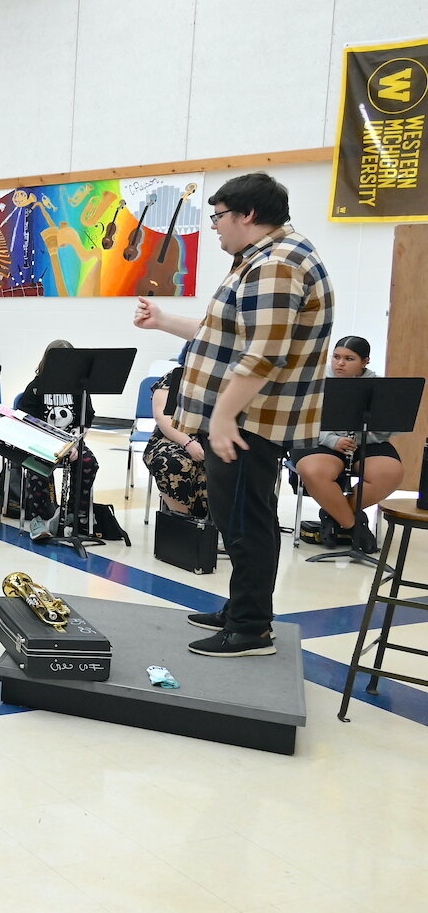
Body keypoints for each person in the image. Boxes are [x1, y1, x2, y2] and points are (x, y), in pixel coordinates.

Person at [135, 171, 334, 658]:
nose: (216, 227)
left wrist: (223, 418)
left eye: (219, 216)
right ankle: (242, 609)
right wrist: (163, 321)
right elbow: (222, 334)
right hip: (247, 417)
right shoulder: (263, 259)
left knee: (244, 522)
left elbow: (263, 355)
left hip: (251, 420)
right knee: (245, 517)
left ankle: (250, 629)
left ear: (248, 215)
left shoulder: (277, 265)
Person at [290, 336, 400, 552]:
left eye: (349, 358)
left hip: (363, 441)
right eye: (336, 357)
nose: (340, 363)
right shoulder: (314, 382)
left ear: (365, 362)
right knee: (314, 471)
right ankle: (354, 526)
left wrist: (359, 439)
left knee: (391, 473)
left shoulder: (377, 386)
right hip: (318, 439)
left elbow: (389, 427)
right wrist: (331, 440)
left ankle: (334, 514)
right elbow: (298, 420)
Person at [16, 339, 99, 543]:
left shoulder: (80, 388)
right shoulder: (36, 387)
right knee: (38, 467)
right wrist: (50, 445)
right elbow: (28, 421)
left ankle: (73, 514)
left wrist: (74, 444)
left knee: (89, 463)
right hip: (41, 443)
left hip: (71, 442)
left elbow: (85, 420)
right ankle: (39, 519)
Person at [142, 366, 210, 519]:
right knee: (171, 462)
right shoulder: (176, 375)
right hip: (174, 435)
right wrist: (188, 443)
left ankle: (213, 525)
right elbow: (162, 418)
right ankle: (180, 520)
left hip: (215, 436)